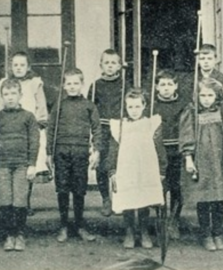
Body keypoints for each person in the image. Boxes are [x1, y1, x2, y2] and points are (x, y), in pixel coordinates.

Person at [179, 78, 223, 251]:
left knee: (219, 199)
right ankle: (206, 234)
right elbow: (186, 135)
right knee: (203, 199)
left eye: (210, 95)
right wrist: (188, 157)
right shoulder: (192, 111)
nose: (206, 99)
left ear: (216, 96)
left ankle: (218, 232)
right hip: (201, 162)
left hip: (220, 161)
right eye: (202, 95)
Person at [46, 69, 102, 243]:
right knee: (62, 189)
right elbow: (51, 129)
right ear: (63, 85)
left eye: (76, 83)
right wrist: (49, 152)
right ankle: (63, 226)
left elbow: (97, 129)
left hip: (80, 152)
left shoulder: (89, 106)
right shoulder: (59, 105)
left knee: (79, 190)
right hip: (61, 152)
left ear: (82, 84)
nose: (72, 87)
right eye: (68, 83)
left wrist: (97, 150)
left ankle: (79, 225)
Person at [107, 90, 167, 249]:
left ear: (144, 106)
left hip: (146, 167)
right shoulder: (119, 126)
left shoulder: (151, 124)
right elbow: (113, 149)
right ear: (125, 107)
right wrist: (112, 170)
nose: (134, 110)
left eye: (137, 106)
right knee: (128, 200)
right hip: (126, 168)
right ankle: (129, 231)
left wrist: (162, 169)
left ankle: (144, 231)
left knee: (143, 201)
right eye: (130, 107)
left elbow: (159, 147)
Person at [0, 79, 39, 252]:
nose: (9, 98)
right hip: (2, 165)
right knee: (6, 199)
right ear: (1, 97)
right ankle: (9, 235)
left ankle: (20, 234)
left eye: (13, 93)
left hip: (22, 165)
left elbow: (34, 141)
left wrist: (32, 164)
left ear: (20, 95)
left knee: (20, 199)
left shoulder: (28, 116)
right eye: (6, 94)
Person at [0, 51, 50, 216]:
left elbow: (41, 105)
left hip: (30, 127)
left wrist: (40, 122)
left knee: (28, 166)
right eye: (15, 65)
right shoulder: (4, 84)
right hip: (11, 129)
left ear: (28, 67)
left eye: (22, 65)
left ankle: (25, 201)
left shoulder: (34, 83)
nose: (18, 68)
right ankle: (10, 202)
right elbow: (0, 106)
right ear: (10, 67)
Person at [87, 49, 127, 217]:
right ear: (101, 65)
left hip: (119, 127)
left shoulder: (125, 85)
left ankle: (120, 199)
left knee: (119, 164)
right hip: (102, 128)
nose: (110, 66)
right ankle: (106, 199)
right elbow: (89, 109)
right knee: (102, 165)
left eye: (113, 63)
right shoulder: (95, 86)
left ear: (119, 66)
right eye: (107, 63)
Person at [152, 69, 189, 240]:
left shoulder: (183, 104)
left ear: (176, 86)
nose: (166, 88)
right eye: (162, 85)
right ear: (156, 87)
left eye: (169, 84)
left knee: (177, 187)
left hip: (177, 151)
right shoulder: (152, 106)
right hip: (158, 152)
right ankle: (161, 220)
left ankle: (174, 220)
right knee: (160, 187)